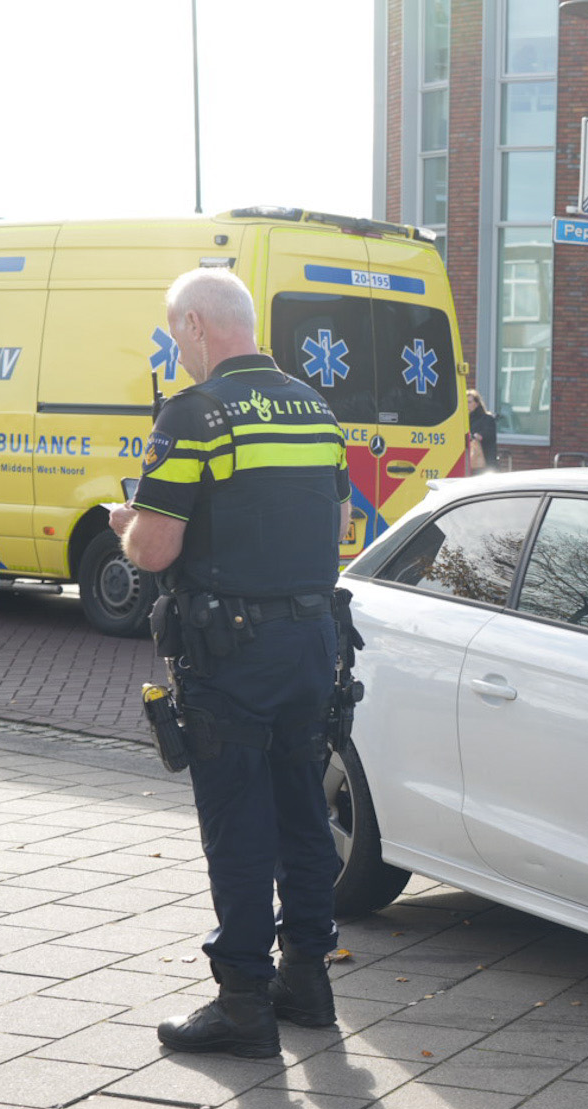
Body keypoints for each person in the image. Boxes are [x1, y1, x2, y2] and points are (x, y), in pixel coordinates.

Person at [109, 267, 351, 1058]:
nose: (176, 350)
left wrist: (125, 521)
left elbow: (152, 549)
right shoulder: (316, 409)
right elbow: (340, 523)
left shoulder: (196, 414)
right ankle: (307, 981)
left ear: (196, 327)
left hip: (233, 653)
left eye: (174, 333)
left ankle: (243, 1002)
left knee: (239, 825)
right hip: (314, 647)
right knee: (303, 816)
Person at [466, 389, 498, 474]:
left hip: (484, 462)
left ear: (476, 404)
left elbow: (489, 434)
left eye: (469, 402)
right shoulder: (464, 420)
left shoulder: (487, 418)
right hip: (468, 462)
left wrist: (479, 436)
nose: (466, 405)